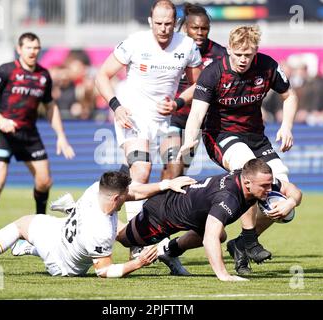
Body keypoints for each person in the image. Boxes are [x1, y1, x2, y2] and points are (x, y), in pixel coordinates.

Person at [177, 25, 299, 274]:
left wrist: (286, 127)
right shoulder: (213, 73)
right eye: (239, 54)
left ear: (256, 52)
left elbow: (290, 95)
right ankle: (250, 239)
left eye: (249, 54)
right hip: (220, 136)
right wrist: (189, 139)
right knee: (248, 173)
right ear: (229, 49)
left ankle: (241, 243)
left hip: (256, 137)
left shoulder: (267, 66)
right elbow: (197, 112)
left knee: (284, 203)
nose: (244, 60)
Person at [95, 0, 202, 258]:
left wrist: (177, 102)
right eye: (158, 24)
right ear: (150, 22)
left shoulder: (187, 46)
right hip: (133, 116)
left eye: (168, 24)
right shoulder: (135, 42)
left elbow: (199, 85)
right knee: (142, 172)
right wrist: (116, 106)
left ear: (175, 23)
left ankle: (158, 234)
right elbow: (101, 76)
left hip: (165, 120)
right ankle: (136, 244)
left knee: (176, 170)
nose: (163, 29)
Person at [0, 171, 196, 277]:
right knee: (22, 224)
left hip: (62, 234)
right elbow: (104, 272)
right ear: (116, 197)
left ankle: (27, 248)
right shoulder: (102, 230)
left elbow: (136, 192)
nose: (130, 195)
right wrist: (137, 263)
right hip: (62, 264)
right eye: (125, 194)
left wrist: (164, 184)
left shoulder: (96, 190)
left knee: (23, 224)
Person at [116, 158, 302, 281]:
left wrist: (290, 202)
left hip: (193, 215)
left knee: (221, 235)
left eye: (270, 184)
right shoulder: (227, 197)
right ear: (247, 183)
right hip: (162, 214)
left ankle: (168, 251)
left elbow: (292, 189)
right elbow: (209, 238)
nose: (270, 190)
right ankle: (102, 212)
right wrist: (223, 275)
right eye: (265, 186)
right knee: (122, 238)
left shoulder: (256, 181)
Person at [0, 32, 75, 245]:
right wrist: (0, 120)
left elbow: (50, 106)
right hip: (5, 134)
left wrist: (61, 136)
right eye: (29, 48)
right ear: (19, 49)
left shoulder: (44, 75)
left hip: (29, 134)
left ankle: (39, 224)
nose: (33, 52)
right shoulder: (6, 70)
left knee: (45, 181)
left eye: (36, 48)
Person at [161, 2, 226, 180]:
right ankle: (158, 205)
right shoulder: (174, 48)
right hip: (174, 116)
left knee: (180, 171)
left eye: (204, 28)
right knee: (173, 165)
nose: (199, 32)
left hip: (197, 121)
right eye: (194, 27)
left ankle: (162, 205)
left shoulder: (220, 55)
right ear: (185, 28)